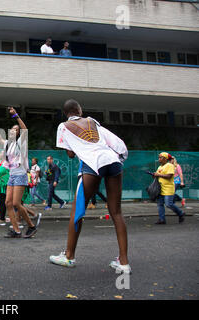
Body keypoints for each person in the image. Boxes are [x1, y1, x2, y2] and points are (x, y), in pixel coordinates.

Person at [49, 99, 131, 274]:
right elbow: (118, 145)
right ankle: (123, 263)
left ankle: (69, 256)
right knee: (116, 212)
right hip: (112, 160)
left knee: (77, 210)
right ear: (79, 110)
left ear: (66, 113)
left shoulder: (63, 126)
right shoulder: (93, 121)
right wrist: (119, 159)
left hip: (92, 164)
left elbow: (70, 154)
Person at [0, 107, 38, 239]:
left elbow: (25, 130)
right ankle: (16, 230)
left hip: (20, 174)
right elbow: (0, 139)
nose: (14, 130)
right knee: (7, 203)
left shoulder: (21, 142)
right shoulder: (8, 144)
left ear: (18, 133)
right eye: (13, 128)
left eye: (16, 129)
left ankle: (32, 226)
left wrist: (16, 115)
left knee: (17, 203)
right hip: (11, 176)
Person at [153, 152, 185, 225]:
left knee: (168, 204)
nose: (159, 159)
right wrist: (155, 175)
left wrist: (159, 174)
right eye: (159, 157)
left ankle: (181, 213)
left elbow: (169, 176)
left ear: (165, 158)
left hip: (168, 188)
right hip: (160, 188)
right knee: (160, 204)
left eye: (160, 157)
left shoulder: (170, 165)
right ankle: (162, 219)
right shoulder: (160, 167)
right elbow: (159, 175)